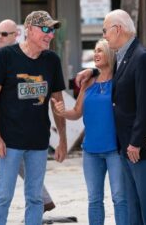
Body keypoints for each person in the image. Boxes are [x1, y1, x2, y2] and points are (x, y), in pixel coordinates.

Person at [77, 9, 146, 225]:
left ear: (118, 29)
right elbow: (114, 77)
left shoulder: (142, 57)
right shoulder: (123, 56)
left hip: (140, 147)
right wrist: (92, 72)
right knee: (133, 207)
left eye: (105, 30)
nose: (104, 35)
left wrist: (136, 142)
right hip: (125, 146)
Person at [0, 11, 67, 225]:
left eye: (52, 30)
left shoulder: (52, 60)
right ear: (29, 30)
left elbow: (58, 102)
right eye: (45, 29)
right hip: (9, 142)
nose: (50, 35)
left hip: (39, 143)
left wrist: (63, 141)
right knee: (3, 197)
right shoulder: (5, 56)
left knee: (35, 198)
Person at [52, 39, 127, 225]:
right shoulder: (89, 82)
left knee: (119, 198)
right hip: (90, 151)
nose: (96, 54)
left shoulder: (120, 80)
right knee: (94, 200)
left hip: (115, 150)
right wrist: (62, 112)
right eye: (94, 51)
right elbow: (77, 112)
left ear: (110, 53)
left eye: (100, 50)